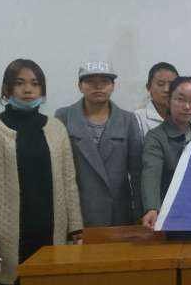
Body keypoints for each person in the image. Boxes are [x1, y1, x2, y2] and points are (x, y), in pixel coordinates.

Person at [0, 59, 82, 285]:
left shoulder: (56, 128)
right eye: (19, 83)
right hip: (9, 239)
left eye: (35, 83)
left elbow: (68, 180)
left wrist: (75, 227)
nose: (28, 89)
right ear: (7, 88)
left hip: (51, 233)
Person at [55, 61, 143, 227]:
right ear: (80, 86)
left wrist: (140, 213)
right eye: (90, 81)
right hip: (78, 213)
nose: (98, 87)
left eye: (104, 81)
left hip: (118, 214)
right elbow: (58, 172)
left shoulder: (127, 120)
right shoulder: (64, 117)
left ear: (113, 86)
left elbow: (137, 172)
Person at [141, 77, 191, 229]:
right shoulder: (156, 137)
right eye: (180, 99)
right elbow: (151, 173)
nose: (187, 106)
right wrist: (152, 208)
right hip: (170, 216)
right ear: (168, 101)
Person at [134, 62, 179, 137]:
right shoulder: (137, 118)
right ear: (148, 87)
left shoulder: (186, 114)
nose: (166, 89)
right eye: (161, 84)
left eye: (172, 84)